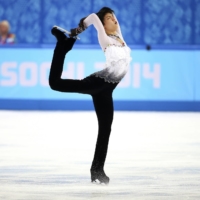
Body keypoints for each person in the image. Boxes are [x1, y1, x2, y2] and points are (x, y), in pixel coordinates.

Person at [49, 7, 132, 184]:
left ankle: (97, 170)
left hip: (107, 90)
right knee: (54, 83)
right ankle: (61, 47)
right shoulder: (105, 39)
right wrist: (77, 31)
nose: (114, 20)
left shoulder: (120, 38)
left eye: (114, 17)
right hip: (97, 83)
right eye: (109, 18)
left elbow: (109, 20)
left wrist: (111, 16)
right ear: (103, 24)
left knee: (105, 129)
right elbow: (94, 17)